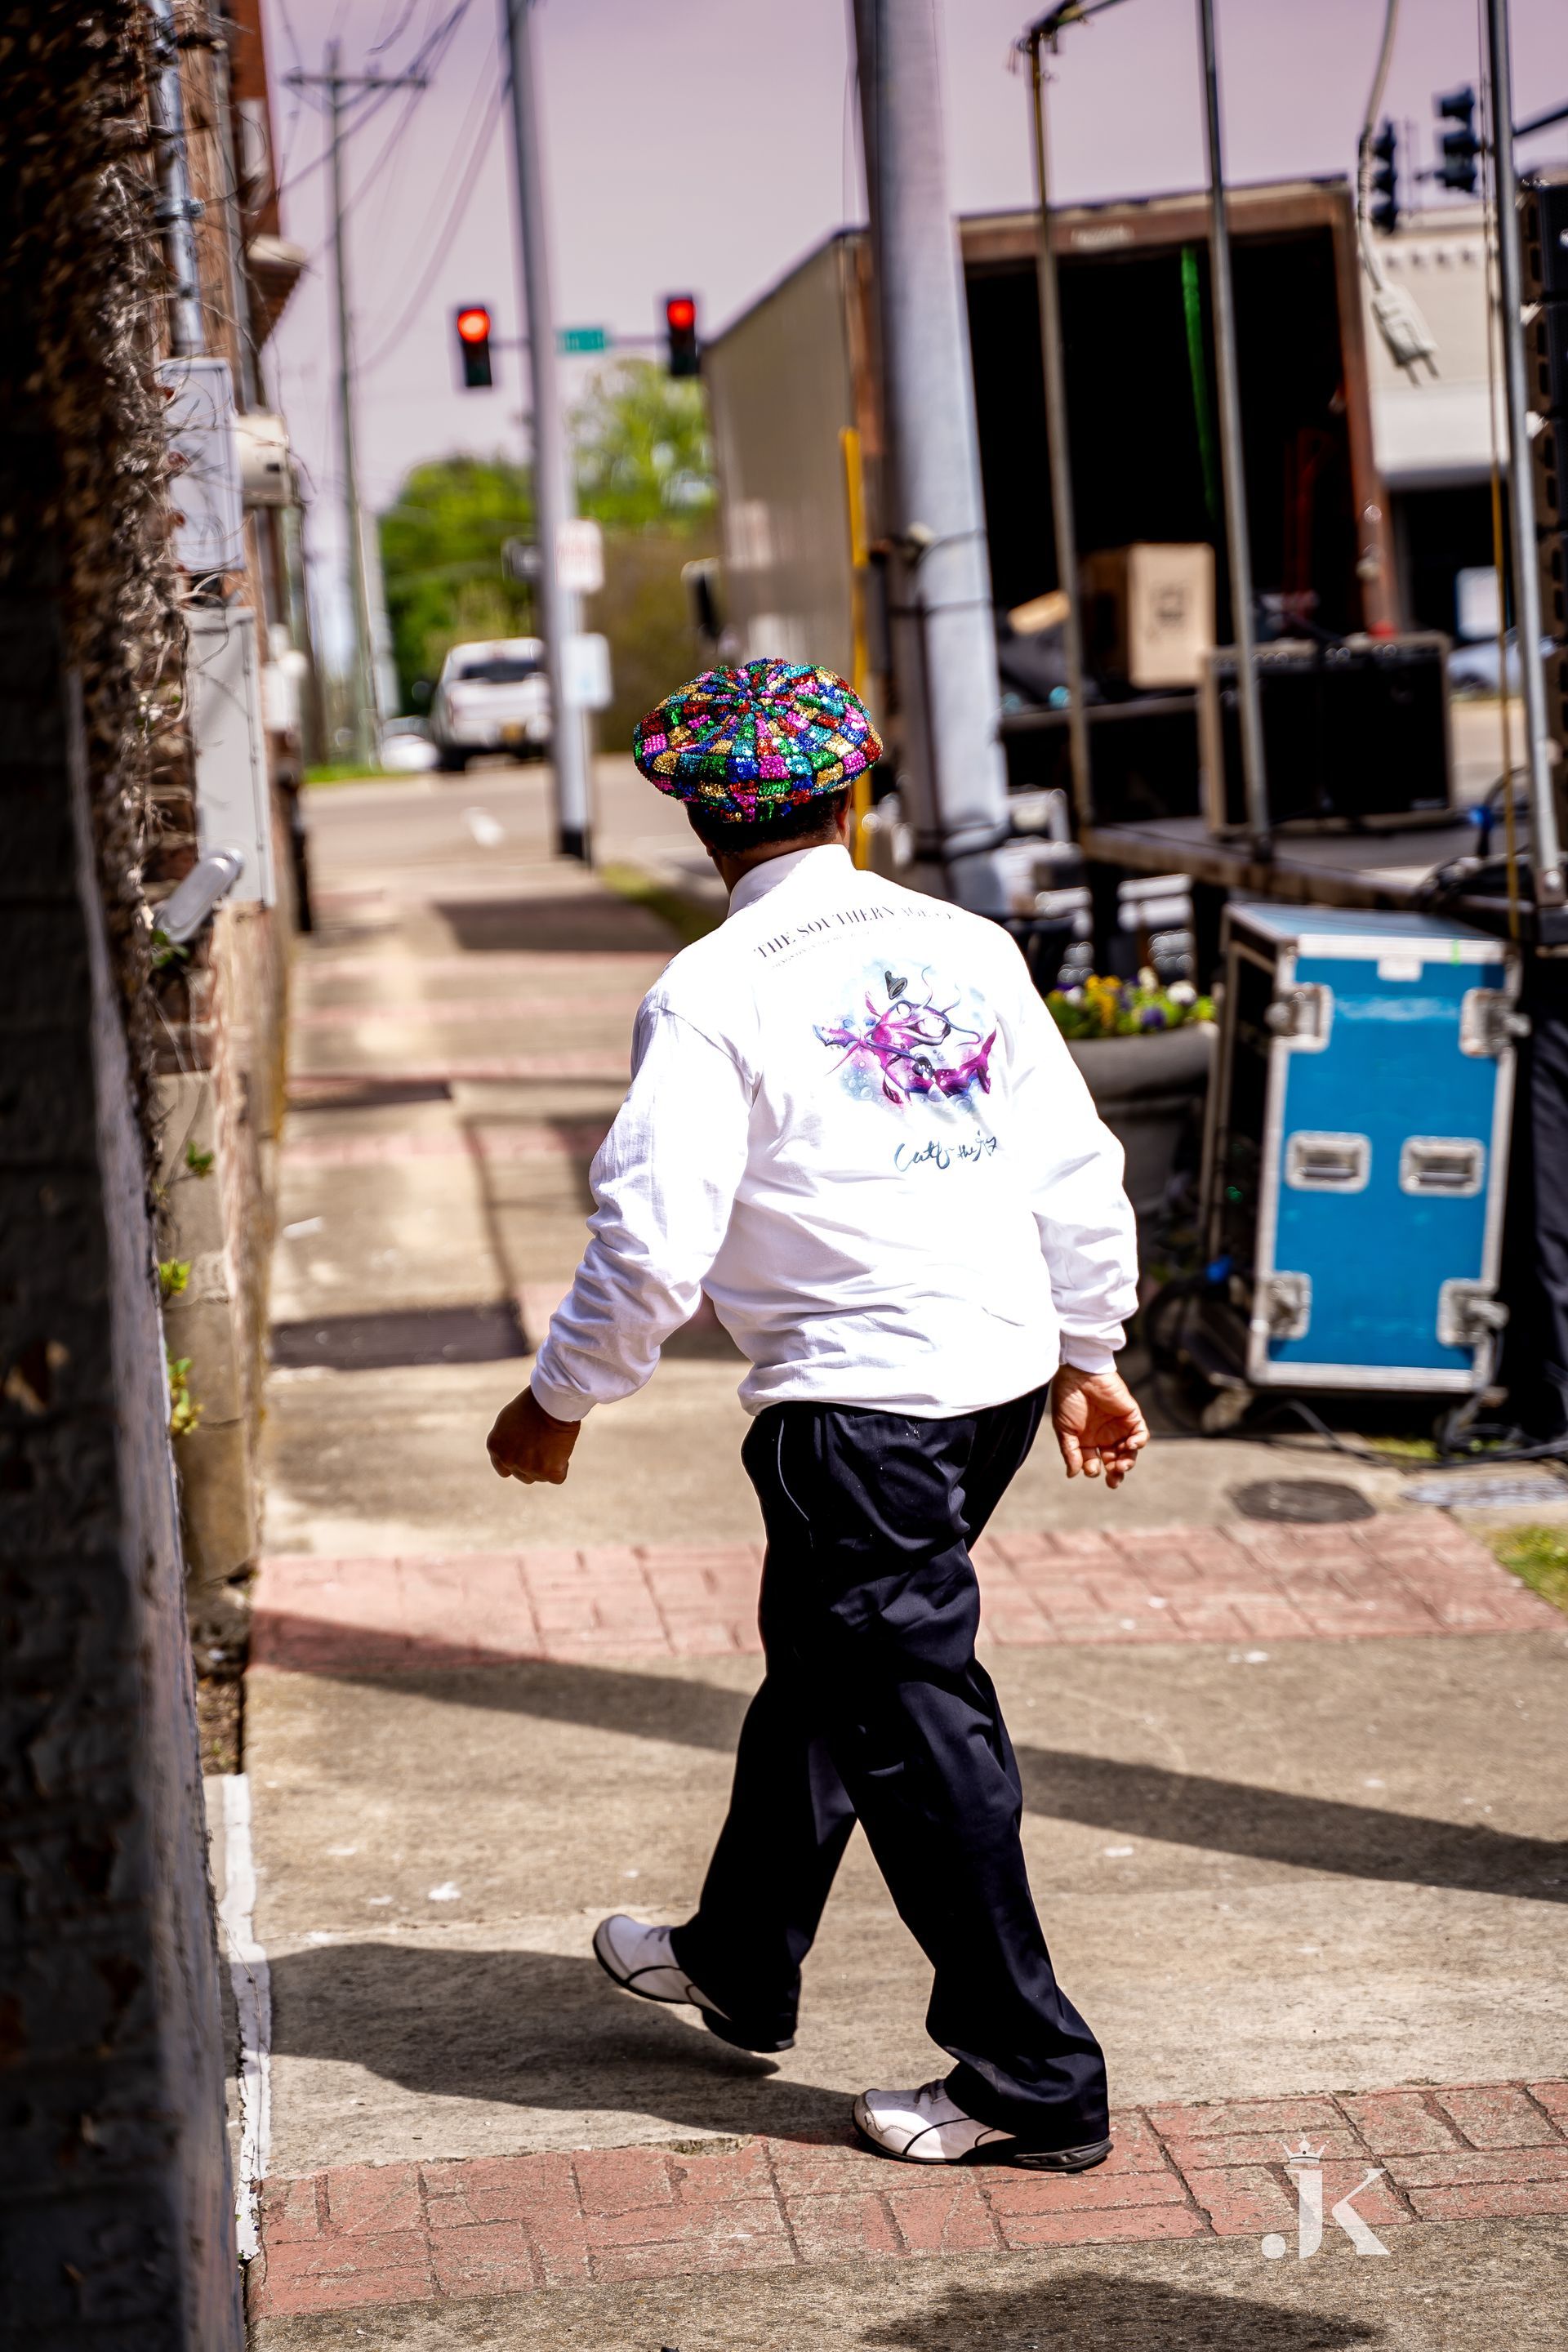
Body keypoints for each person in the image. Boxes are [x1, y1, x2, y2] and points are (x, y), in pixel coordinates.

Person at [487, 659, 1147, 2171]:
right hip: (978, 1387)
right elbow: (1074, 1162)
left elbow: (653, 1238)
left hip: (860, 1413)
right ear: (854, 794)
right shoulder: (966, 941)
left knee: (916, 1729)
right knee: (833, 1667)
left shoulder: (714, 989)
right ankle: (737, 1954)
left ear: (698, 824)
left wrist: (560, 1398)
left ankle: (1031, 2080)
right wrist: (1086, 1348)